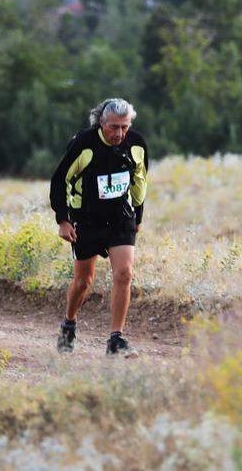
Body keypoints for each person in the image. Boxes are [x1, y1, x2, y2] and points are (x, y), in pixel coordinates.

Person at [49, 98, 149, 356]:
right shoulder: (84, 144)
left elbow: (140, 180)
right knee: (83, 281)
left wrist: (137, 215)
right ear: (101, 123)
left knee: (124, 273)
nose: (119, 133)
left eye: (124, 127)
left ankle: (116, 339)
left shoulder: (136, 144)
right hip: (87, 220)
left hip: (120, 217)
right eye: (114, 127)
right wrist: (63, 219)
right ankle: (69, 323)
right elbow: (60, 180)